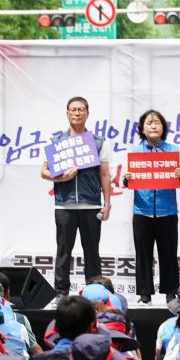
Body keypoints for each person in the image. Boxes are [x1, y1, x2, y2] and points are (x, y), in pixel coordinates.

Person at [40, 96, 111, 297]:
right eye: (73, 109)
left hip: (91, 205)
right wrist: (62, 177)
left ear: (87, 113)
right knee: (63, 251)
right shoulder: (57, 142)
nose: (77, 113)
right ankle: (61, 292)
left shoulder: (98, 142)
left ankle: (94, 292)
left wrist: (107, 203)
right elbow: (43, 172)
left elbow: (105, 174)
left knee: (92, 252)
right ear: (67, 113)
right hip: (64, 205)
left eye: (81, 109)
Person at [124, 109, 180, 304]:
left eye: (157, 122)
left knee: (168, 253)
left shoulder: (174, 150)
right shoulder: (134, 152)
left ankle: (170, 292)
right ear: (142, 128)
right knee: (143, 255)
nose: (153, 125)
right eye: (149, 122)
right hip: (142, 211)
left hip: (167, 210)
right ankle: (144, 294)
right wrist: (127, 179)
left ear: (163, 127)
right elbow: (125, 181)